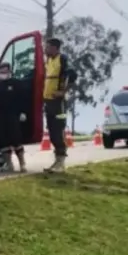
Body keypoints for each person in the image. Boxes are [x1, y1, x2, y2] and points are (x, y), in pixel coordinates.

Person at [43, 38, 76, 173]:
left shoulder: (62, 59)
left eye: (48, 47)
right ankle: (56, 161)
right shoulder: (49, 60)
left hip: (59, 103)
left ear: (56, 48)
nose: (46, 49)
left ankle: (61, 163)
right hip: (48, 102)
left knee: (58, 130)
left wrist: (63, 92)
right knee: (51, 132)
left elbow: (73, 75)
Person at [0, 61, 28, 172]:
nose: (3, 73)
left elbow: (23, 99)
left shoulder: (17, 84)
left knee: (16, 139)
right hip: (1, 117)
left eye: (5, 70)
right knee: (3, 141)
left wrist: (23, 112)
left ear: (10, 71)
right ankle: (8, 164)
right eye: (1, 71)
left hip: (13, 115)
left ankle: (22, 164)